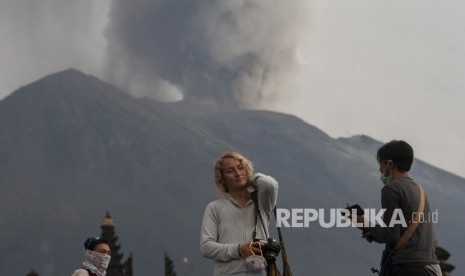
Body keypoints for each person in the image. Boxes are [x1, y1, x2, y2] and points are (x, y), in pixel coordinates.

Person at [359, 140, 442, 276]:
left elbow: (391, 234)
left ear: (389, 164)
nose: (380, 169)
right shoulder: (419, 189)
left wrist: (363, 223)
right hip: (429, 268)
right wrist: (374, 233)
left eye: (381, 163)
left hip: (407, 267)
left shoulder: (391, 190)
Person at [200, 151, 279, 275]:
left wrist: (250, 179)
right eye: (230, 171)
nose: (237, 173)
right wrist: (239, 249)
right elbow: (206, 247)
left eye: (241, 168)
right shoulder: (214, 208)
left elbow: (270, 185)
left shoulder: (262, 203)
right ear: (222, 178)